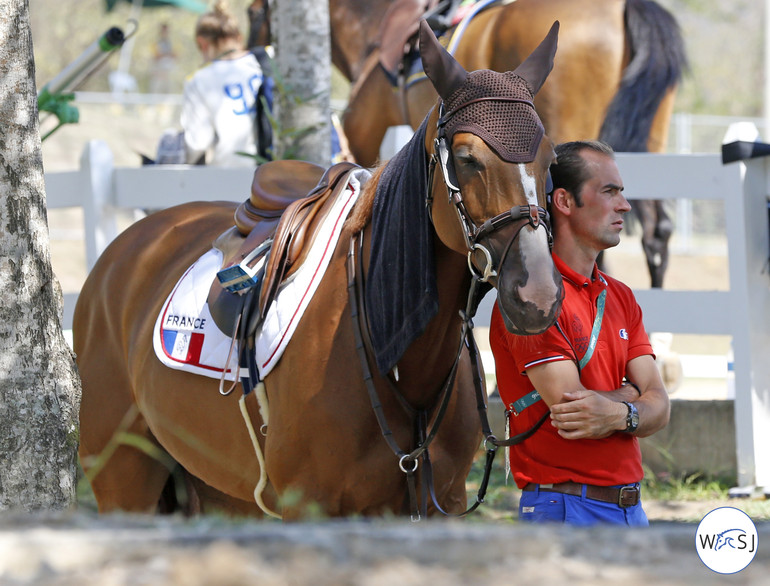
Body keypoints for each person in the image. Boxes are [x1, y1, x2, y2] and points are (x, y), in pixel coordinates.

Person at [489, 140, 670, 526]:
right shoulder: (530, 296)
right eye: (609, 191)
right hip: (566, 509)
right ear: (564, 202)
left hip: (631, 510)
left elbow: (662, 406)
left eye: (621, 192)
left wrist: (620, 411)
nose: (625, 205)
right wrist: (633, 398)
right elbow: (575, 412)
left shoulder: (620, 295)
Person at [180, 0, 273, 167]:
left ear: (202, 43)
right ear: (239, 37)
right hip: (278, 172)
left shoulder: (199, 79)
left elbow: (197, 143)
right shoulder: (268, 61)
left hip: (229, 174)